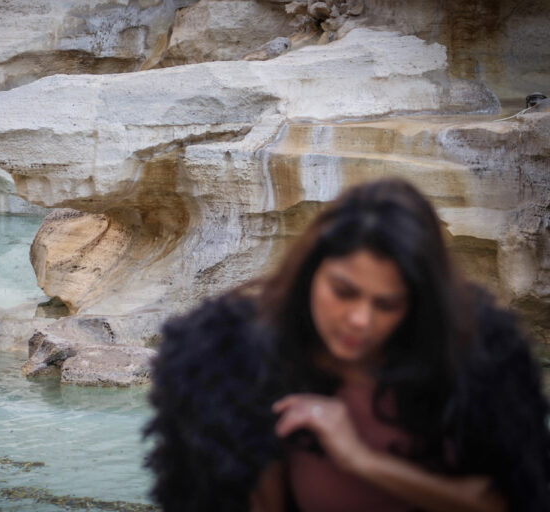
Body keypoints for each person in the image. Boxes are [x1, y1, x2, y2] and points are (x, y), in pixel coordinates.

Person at [145, 179, 550, 511]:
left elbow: (511, 501)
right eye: (343, 291)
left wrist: (360, 459)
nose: (360, 320)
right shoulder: (241, 363)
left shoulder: (475, 366)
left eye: (386, 304)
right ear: (309, 274)